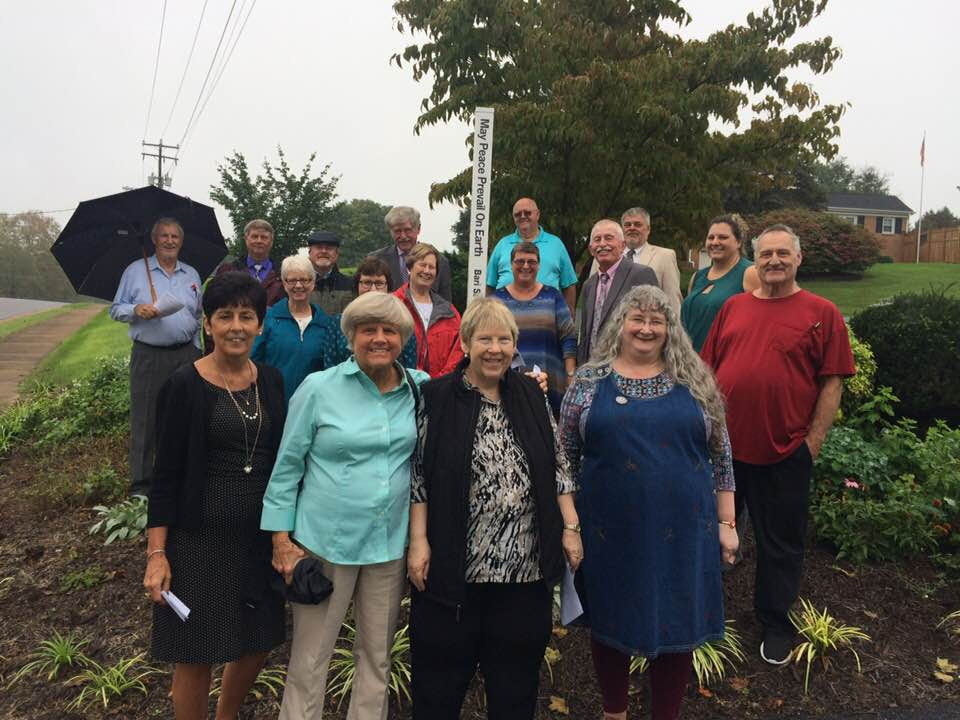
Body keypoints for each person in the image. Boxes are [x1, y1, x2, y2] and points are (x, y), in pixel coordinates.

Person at [560, 284, 738, 720]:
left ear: (669, 329)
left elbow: (721, 454)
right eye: (636, 319)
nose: (645, 328)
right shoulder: (588, 382)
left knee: (678, 620)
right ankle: (614, 712)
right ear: (619, 325)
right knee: (611, 618)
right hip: (609, 529)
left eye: (656, 321)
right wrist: (571, 524)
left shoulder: (695, 381)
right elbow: (563, 457)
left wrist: (727, 522)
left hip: (686, 527)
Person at [407, 297, 582, 720]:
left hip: (524, 572)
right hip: (454, 571)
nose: (495, 349)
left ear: (514, 346)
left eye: (504, 340)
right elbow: (418, 474)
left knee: (516, 688)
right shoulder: (436, 397)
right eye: (484, 339)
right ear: (466, 343)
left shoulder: (531, 394)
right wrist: (419, 540)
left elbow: (558, 463)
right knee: (439, 687)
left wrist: (571, 526)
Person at [261, 292, 429, 720]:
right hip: (325, 545)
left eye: (389, 330)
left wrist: (531, 385)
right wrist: (281, 540)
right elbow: (287, 467)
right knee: (310, 660)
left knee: (377, 657)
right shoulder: (319, 388)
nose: (379, 339)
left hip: (388, 545)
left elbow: (474, 392)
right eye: (368, 330)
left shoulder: (420, 387)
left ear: (403, 338)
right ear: (351, 337)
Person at [700, 224, 854, 666]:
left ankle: (774, 622)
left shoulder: (822, 312)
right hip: (724, 453)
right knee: (708, 535)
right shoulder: (733, 307)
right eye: (766, 253)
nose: (774, 261)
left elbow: (832, 382)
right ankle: (703, 615)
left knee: (780, 543)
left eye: (783, 253)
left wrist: (812, 445)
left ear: (798, 258)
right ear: (756, 259)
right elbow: (706, 370)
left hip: (785, 452)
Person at [143, 272, 286, 720]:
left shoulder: (272, 382)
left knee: (258, 641)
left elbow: (283, 461)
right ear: (208, 324)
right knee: (196, 651)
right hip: (199, 542)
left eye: (246, 316)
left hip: (258, 538)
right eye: (225, 316)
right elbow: (164, 477)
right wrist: (157, 554)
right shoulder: (185, 385)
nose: (236, 326)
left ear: (260, 323)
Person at [109, 217, 202, 495]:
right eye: (164, 236)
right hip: (149, 356)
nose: (170, 241)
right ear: (154, 239)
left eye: (175, 236)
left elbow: (198, 314)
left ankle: (177, 476)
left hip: (186, 354)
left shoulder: (191, 274)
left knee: (184, 417)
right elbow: (116, 309)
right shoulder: (135, 271)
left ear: (181, 241)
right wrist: (136, 309)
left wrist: (196, 349)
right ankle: (141, 485)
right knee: (146, 419)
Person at [494, 241, 576, 414]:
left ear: (539, 265)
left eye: (531, 261)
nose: (526, 266)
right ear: (511, 264)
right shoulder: (497, 300)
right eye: (520, 261)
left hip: (551, 386)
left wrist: (570, 377)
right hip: (507, 386)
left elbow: (568, 337)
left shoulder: (553, 296)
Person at [251, 255, 332, 405]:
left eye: (304, 280)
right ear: (284, 283)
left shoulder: (325, 324)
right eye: (292, 280)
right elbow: (254, 360)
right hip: (272, 403)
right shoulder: (268, 319)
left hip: (311, 405)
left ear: (313, 282)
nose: (298, 285)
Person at [577, 219, 658, 365]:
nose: (602, 244)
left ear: (623, 245)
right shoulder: (589, 285)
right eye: (597, 239)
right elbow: (585, 335)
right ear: (591, 249)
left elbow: (653, 325)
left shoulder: (641, 274)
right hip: (592, 368)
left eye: (609, 238)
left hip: (628, 367)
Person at [320, 255, 418, 369]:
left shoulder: (402, 322)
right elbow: (330, 366)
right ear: (357, 285)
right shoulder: (338, 322)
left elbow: (409, 368)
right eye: (367, 283)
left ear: (388, 286)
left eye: (379, 283)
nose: (373, 289)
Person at [681, 214, 760, 352]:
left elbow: (763, 321)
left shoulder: (750, 273)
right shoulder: (697, 277)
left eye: (723, 237)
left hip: (726, 357)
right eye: (711, 237)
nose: (715, 242)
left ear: (738, 242)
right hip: (689, 359)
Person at [486, 197, 579, 314]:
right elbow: (489, 284)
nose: (522, 216)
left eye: (527, 213)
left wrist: (569, 316)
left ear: (537, 214)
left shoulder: (556, 244)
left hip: (546, 319)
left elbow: (569, 285)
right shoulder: (502, 244)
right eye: (517, 214)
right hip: (504, 319)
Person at [591, 208, 683, 318]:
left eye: (637, 224)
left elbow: (672, 300)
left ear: (648, 229)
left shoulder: (665, 256)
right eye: (627, 225)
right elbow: (592, 298)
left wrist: (674, 326)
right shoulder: (603, 257)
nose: (632, 228)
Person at [394, 242, 464, 378]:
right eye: (422, 265)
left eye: (431, 267)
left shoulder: (449, 312)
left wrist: (439, 382)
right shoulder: (393, 304)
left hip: (441, 385)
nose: (426, 271)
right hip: (400, 384)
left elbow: (459, 349)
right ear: (410, 268)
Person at [371, 205, 452, 300]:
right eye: (397, 231)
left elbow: (445, 302)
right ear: (390, 232)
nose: (403, 236)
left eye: (408, 230)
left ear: (418, 229)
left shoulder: (439, 261)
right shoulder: (376, 260)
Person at [214, 219, 285, 306]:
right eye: (254, 236)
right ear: (246, 239)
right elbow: (215, 301)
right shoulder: (227, 270)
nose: (259, 241)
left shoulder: (282, 273)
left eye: (264, 237)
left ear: (271, 242)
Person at [308, 230, 354, 315]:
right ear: (309, 252)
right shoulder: (297, 284)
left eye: (329, 248)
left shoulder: (351, 285)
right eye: (318, 247)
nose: (324, 251)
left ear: (337, 254)